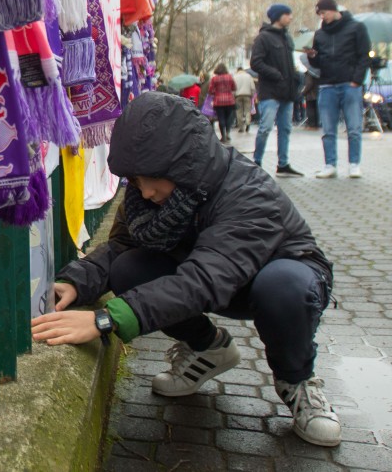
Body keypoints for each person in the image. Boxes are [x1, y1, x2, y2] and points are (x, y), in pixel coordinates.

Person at [31, 92, 340, 447]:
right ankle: (209, 349)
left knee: (283, 286)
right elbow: (123, 247)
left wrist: (106, 320)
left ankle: (297, 381)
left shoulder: (248, 193)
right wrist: (76, 281)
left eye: (151, 178)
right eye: (135, 179)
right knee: (129, 268)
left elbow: (204, 280)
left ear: (182, 163)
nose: (144, 192)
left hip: (276, 276)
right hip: (210, 275)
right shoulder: (152, 194)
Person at [305, 0, 371, 179]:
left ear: (333, 10)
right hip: (327, 85)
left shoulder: (356, 27)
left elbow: (364, 56)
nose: (322, 17)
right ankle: (330, 164)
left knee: (354, 127)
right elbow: (318, 62)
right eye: (319, 14)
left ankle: (354, 164)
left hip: (349, 84)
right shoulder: (320, 34)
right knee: (328, 129)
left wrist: (356, 80)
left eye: (323, 12)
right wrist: (312, 56)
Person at [250, 4, 303, 176]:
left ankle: (283, 164)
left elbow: (290, 65)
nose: (290, 17)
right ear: (278, 16)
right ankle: (256, 162)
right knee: (265, 127)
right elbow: (256, 62)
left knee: (285, 128)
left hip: (287, 92)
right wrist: (276, 74)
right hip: (270, 91)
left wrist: (294, 78)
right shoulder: (263, 38)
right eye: (287, 14)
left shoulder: (287, 38)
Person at [207, 63, 236, 143]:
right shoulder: (230, 77)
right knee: (228, 118)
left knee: (221, 118)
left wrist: (215, 92)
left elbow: (210, 90)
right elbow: (234, 87)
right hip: (230, 101)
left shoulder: (214, 79)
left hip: (218, 101)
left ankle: (223, 135)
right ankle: (228, 132)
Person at [300, 54, 321, 130]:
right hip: (318, 92)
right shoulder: (317, 71)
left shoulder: (310, 73)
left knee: (310, 109)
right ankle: (316, 125)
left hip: (311, 94)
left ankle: (311, 125)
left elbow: (309, 84)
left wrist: (303, 92)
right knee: (316, 109)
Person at [232, 66, 255, 132]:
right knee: (247, 111)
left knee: (239, 112)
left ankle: (241, 127)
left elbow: (233, 88)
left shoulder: (234, 77)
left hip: (238, 96)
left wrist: (233, 96)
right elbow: (252, 87)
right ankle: (248, 123)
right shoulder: (248, 76)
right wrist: (252, 95)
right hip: (247, 95)